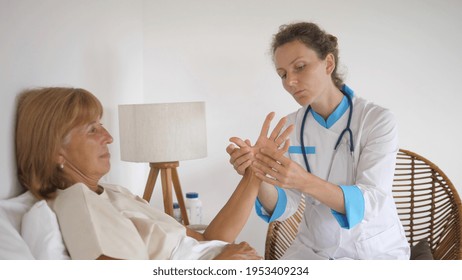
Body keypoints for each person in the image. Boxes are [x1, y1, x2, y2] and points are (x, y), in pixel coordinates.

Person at [14, 87, 292, 260]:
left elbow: (210, 240)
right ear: (55, 151)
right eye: (92, 129)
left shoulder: (113, 193)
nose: (109, 137)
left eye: (102, 125)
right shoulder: (77, 203)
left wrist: (255, 173)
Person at [227, 22, 410, 259]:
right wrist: (258, 175)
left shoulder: (376, 120)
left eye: (300, 67)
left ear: (329, 64)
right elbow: (286, 205)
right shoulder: (290, 127)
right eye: (283, 74)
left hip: (373, 251)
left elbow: (372, 200)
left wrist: (303, 181)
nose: (290, 81)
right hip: (314, 250)